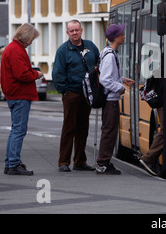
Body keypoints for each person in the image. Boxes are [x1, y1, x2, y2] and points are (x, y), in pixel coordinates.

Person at [52, 19, 100, 172]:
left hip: (88, 94)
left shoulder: (91, 46)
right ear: (67, 33)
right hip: (72, 93)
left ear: (81, 30)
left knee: (83, 128)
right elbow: (57, 73)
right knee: (69, 128)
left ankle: (80, 161)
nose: (74, 33)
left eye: (76, 30)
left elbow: (99, 65)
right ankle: (63, 162)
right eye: (71, 31)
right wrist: (65, 91)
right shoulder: (63, 50)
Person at [0, 24, 43, 175]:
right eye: (31, 39)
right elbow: (22, 74)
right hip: (20, 94)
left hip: (14, 94)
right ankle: (13, 164)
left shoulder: (12, 48)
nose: (32, 42)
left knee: (16, 130)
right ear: (25, 37)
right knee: (19, 130)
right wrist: (36, 75)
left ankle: (10, 162)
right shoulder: (16, 50)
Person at [96, 24, 134, 174]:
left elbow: (109, 75)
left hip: (111, 98)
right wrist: (120, 87)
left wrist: (122, 79)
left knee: (110, 131)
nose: (124, 37)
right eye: (122, 34)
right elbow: (105, 79)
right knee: (109, 131)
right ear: (116, 38)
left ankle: (105, 161)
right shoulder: (110, 55)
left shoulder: (108, 52)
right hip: (110, 100)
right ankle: (102, 163)